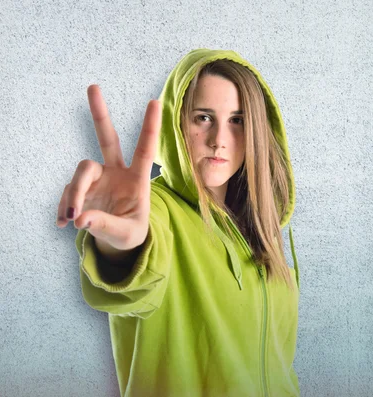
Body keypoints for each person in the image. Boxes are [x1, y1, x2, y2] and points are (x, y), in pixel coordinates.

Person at [56, 48, 300, 397]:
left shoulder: (260, 231)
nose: (219, 140)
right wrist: (120, 249)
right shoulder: (158, 210)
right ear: (176, 122)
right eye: (203, 117)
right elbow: (138, 264)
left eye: (237, 120)